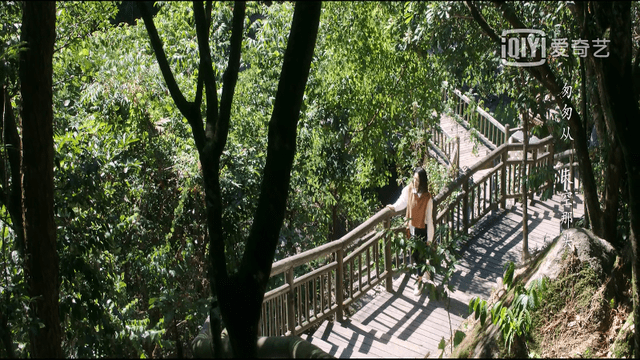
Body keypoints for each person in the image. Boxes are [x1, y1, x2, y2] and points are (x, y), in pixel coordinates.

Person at [386, 167, 434, 296]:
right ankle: (426, 269)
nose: (415, 181)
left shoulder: (427, 198)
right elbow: (402, 202)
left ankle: (419, 283)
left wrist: (429, 239)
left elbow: (429, 220)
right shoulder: (409, 190)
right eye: (414, 178)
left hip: (422, 230)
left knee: (419, 257)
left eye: (417, 180)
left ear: (422, 181)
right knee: (415, 255)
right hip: (411, 228)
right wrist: (393, 207)